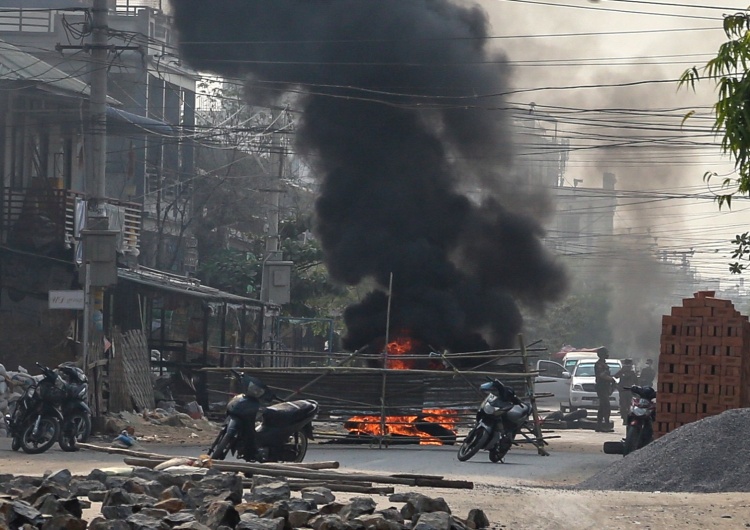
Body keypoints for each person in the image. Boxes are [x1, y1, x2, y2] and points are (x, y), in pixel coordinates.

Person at [594, 347, 615, 432]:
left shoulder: (604, 363)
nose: (608, 354)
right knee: (606, 406)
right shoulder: (599, 364)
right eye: (606, 353)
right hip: (601, 386)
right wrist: (611, 379)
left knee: (602, 406)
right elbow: (601, 375)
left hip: (605, 387)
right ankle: (605, 425)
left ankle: (600, 426)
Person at [613, 359, 638, 424]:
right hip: (623, 390)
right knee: (624, 405)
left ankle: (626, 418)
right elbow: (615, 377)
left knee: (628, 405)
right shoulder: (622, 372)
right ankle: (625, 418)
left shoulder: (631, 373)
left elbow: (637, 382)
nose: (628, 367)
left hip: (628, 390)